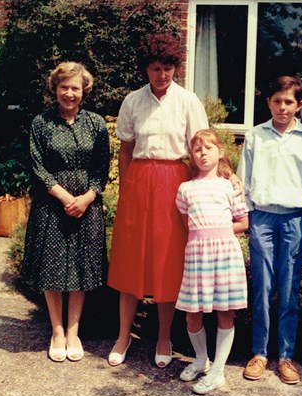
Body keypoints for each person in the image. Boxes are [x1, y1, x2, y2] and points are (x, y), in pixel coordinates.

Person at [106, 33, 210, 368]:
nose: (161, 74)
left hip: (173, 183)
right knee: (130, 260)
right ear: (145, 69)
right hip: (138, 183)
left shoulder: (187, 101)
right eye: (155, 68)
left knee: (167, 262)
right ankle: (123, 336)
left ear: (175, 68)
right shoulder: (133, 101)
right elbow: (124, 149)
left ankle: (163, 336)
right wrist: (125, 191)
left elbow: (199, 148)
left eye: (167, 68)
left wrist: (203, 192)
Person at [22, 62, 110, 362]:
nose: (69, 93)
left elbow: (101, 167)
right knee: (52, 266)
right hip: (52, 204)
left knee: (81, 268)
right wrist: (62, 196)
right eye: (64, 88)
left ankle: (74, 331)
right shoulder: (41, 123)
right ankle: (57, 330)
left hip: (86, 205)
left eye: (75, 88)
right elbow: (37, 166)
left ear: (84, 89)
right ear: (55, 89)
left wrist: (85, 198)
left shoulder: (96, 124)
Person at [237, 76, 302, 385]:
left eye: (289, 102)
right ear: (268, 102)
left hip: (294, 219)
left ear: (299, 105)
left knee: (288, 289)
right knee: (261, 288)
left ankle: (286, 356)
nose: (282, 107)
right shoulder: (256, 136)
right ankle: (259, 353)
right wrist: (247, 211)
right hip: (262, 218)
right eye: (277, 101)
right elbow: (243, 179)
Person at [175, 130, 249, 394]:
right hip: (197, 256)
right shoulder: (185, 189)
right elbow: (188, 225)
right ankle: (200, 359)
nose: (203, 153)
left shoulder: (230, 186)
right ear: (191, 156)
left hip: (224, 254)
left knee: (224, 312)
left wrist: (219, 231)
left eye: (209, 147)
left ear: (220, 152)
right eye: (197, 149)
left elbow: (243, 222)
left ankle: (218, 371)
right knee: (192, 315)